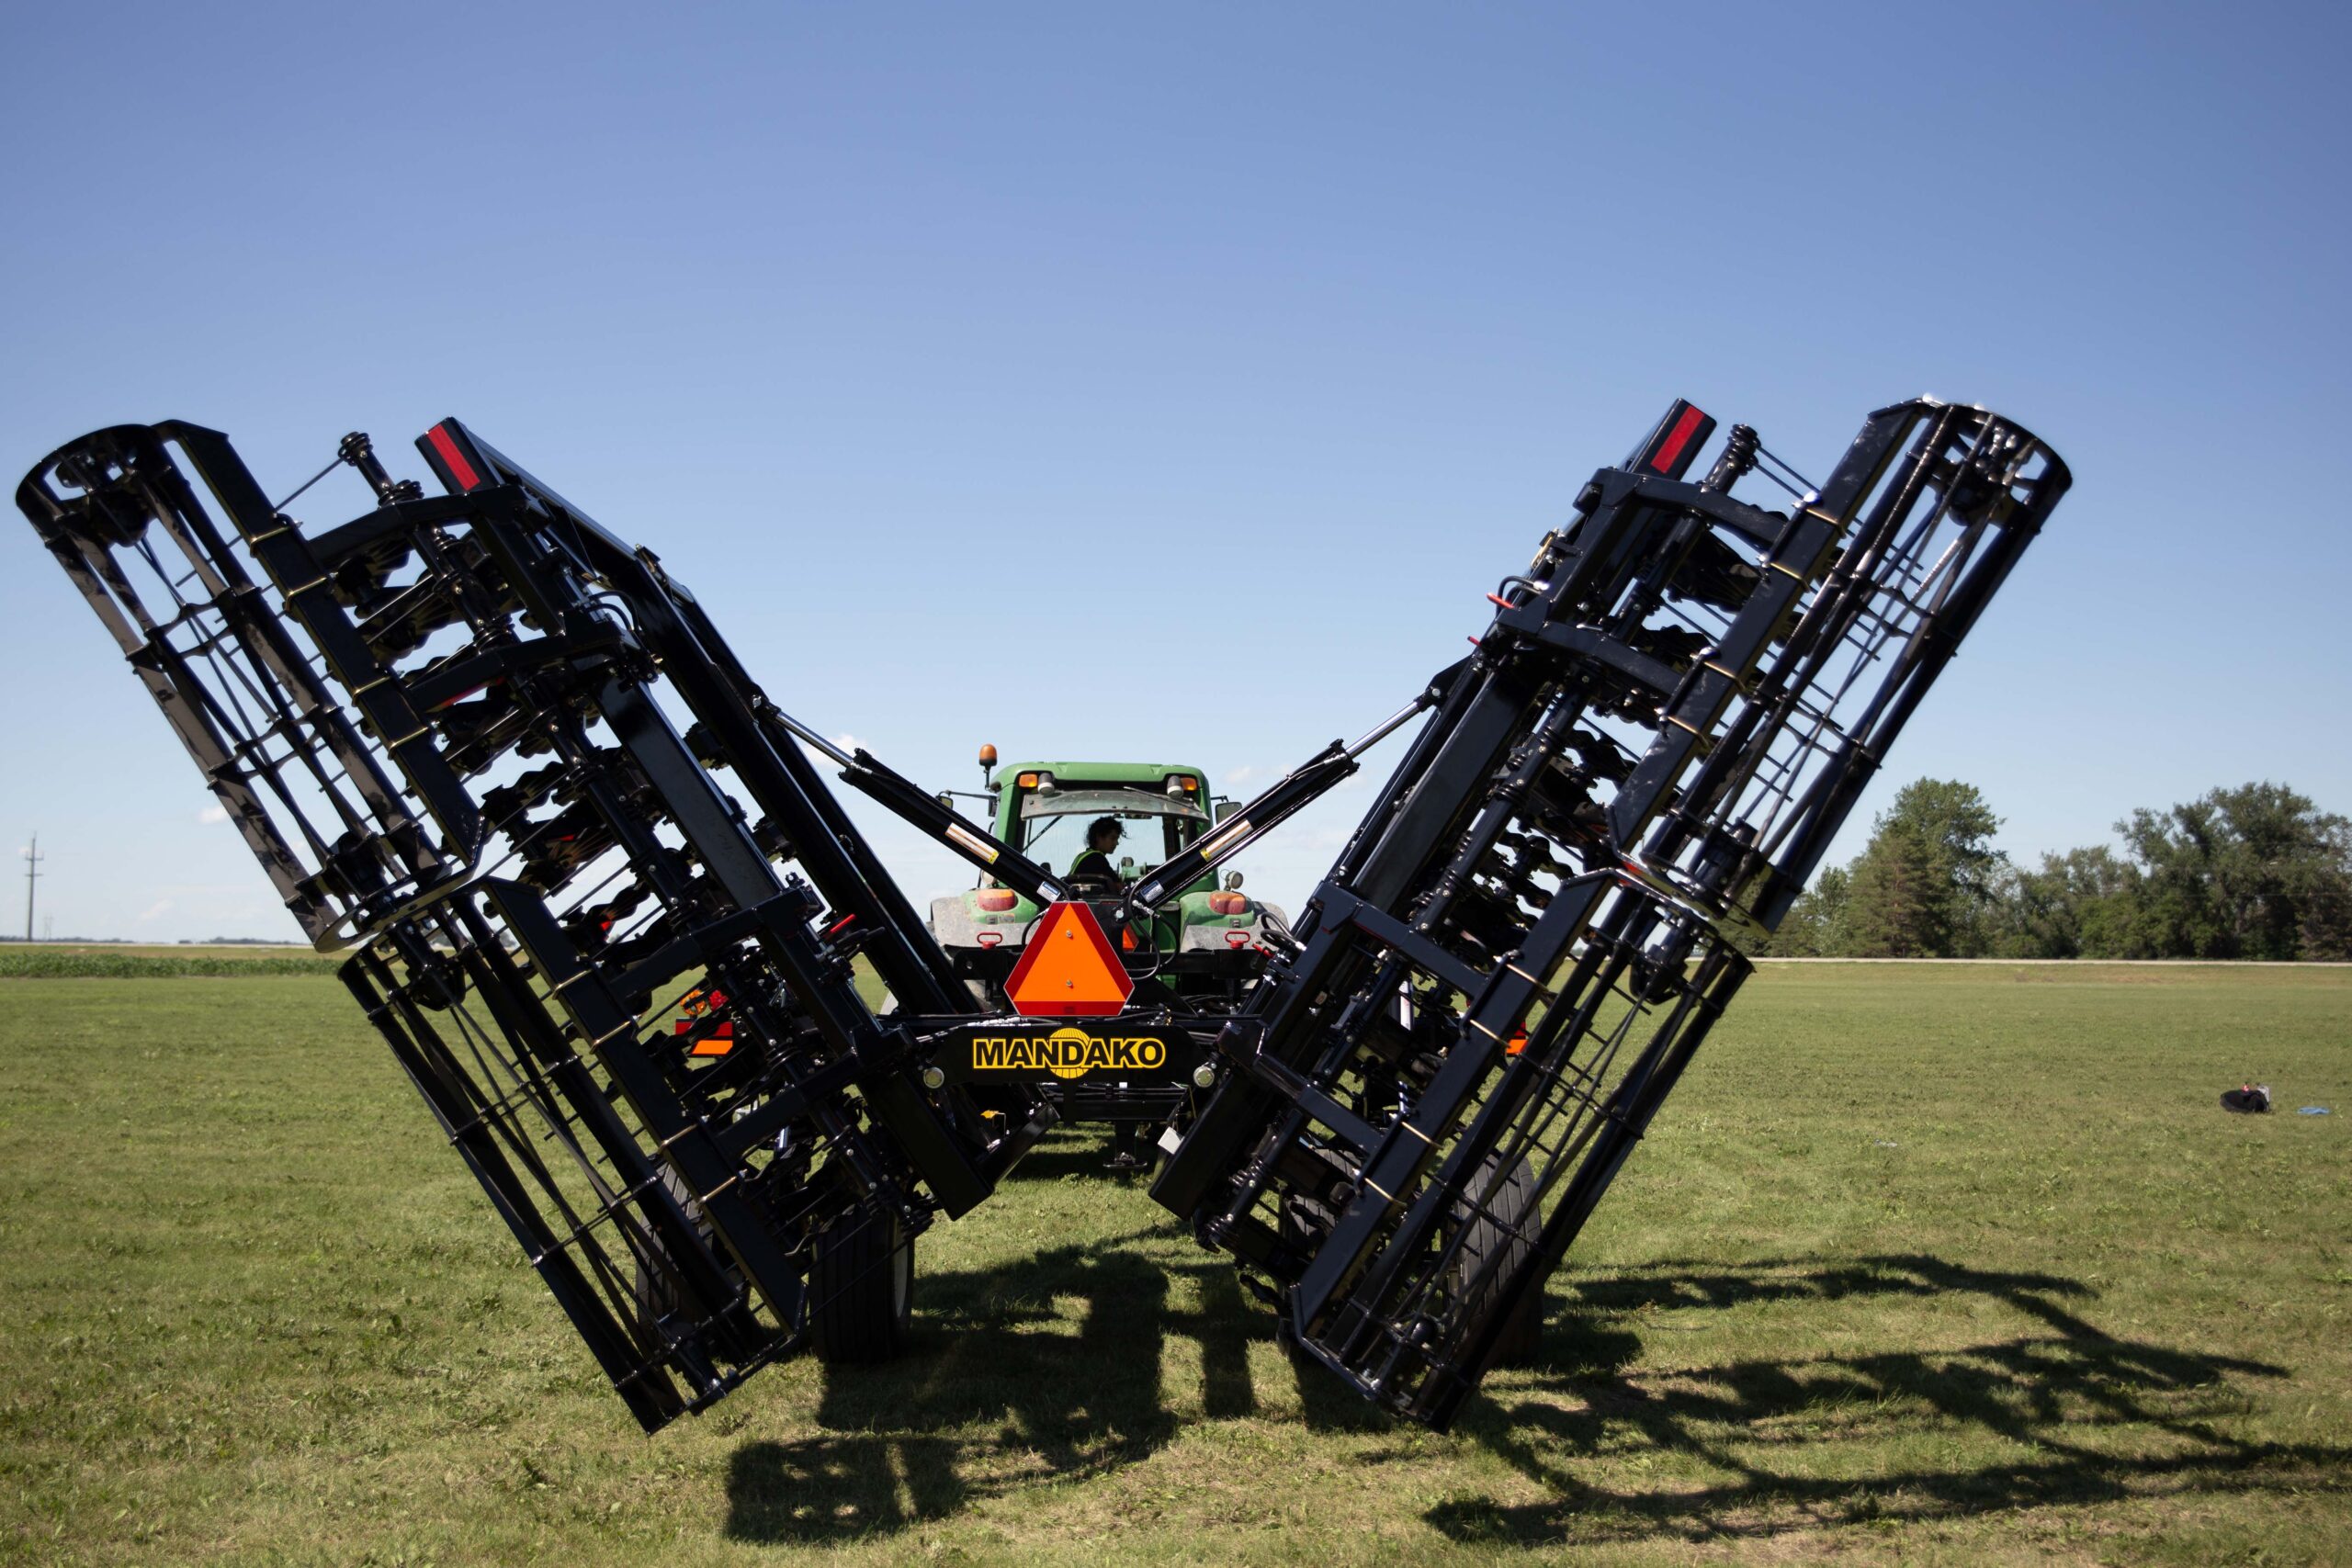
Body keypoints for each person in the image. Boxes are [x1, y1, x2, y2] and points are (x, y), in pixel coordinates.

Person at [1067, 817, 1125, 890]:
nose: (1116, 843)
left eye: (1117, 839)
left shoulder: (1082, 856)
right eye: (1113, 838)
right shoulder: (1097, 858)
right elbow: (1120, 888)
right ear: (1099, 837)